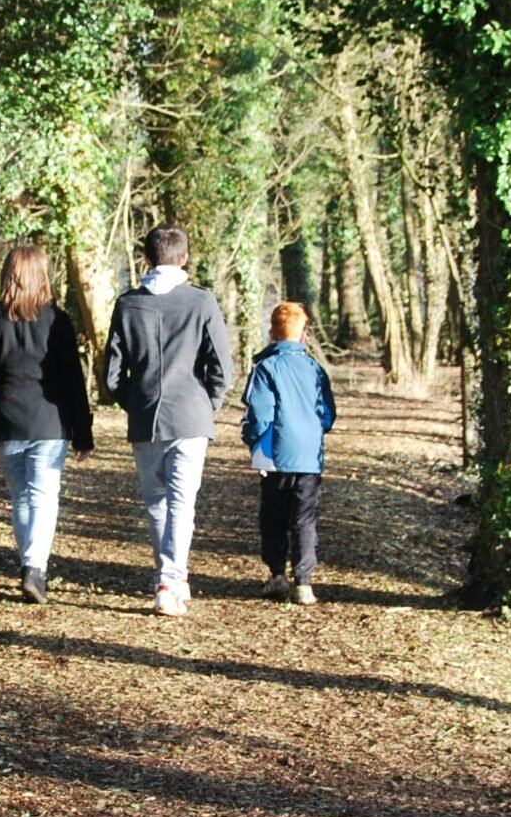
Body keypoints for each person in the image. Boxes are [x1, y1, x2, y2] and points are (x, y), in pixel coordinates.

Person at [101, 226, 233, 616]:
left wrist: (135, 402)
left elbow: (111, 376)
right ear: (185, 258)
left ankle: (170, 576)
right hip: (190, 416)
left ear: (146, 258)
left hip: (145, 417)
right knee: (181, 502)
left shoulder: (127, 304)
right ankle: (170, 581)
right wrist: (207, 402)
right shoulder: (201, 301)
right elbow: (221, 365)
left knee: (157, 503)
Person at [0, 242, 94, 603]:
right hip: (50, 423)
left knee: (22, 498)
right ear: (42, 277)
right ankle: (34, 569)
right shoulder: (57, 321)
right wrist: (83, 432)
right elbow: (73, 381)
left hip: (7, 422)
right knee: (43, 498)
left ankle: (29, 565)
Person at [240, 300, 338, 606]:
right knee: (304, 517)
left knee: (273, 515)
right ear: (304, 334)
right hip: (309, 455)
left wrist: (252, 439)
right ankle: (304, 582)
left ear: (272, 333)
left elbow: (260, 414)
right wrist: (313, 431)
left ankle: (277, 576)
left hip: (273, 452)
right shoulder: (315, 369)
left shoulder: (266, 367)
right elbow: (327, 415)